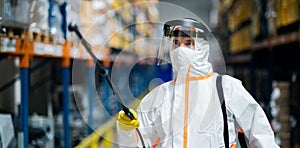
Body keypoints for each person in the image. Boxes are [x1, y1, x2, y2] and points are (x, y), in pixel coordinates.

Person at [117, 18, 279, 148]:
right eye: (176, 43)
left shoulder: (225, 88)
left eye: (188, 43)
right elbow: (138, 143)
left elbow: (261, 135)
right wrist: (127, 130)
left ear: (202, 48)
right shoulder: (159, 96)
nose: (180, 49)